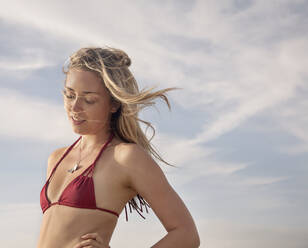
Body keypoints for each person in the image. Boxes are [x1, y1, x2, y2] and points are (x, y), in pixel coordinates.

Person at [37, 46, 200, 248]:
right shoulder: (56, 158)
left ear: (114, 104)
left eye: (89, 100)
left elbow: (186, 234)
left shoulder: (126, 158)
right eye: (70, 95)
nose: (75, 107)